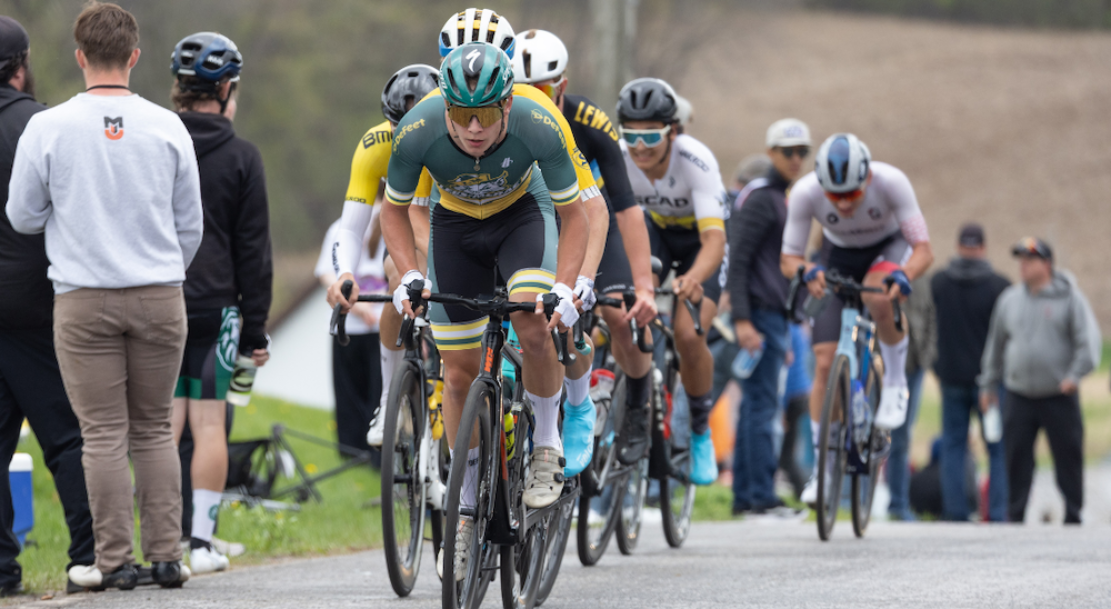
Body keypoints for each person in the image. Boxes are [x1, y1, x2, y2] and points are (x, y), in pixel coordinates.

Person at [328, 42, 590, 580]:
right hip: (454, 227)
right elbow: (394, 211)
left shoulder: (539, 121)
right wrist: (410, 274)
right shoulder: (417, 130)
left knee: (531, 320)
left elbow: (576, 214)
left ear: (508, 106)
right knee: (456, 372)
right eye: (461, 115)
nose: (473, 128)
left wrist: (565, 287)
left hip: (522, 216)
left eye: (487, 116)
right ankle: (465, 509)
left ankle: (546, 444)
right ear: (444, 106)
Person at [6, 2, 201, 589]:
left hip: (83, 297)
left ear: (80, 57)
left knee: (103, 434)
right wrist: (164, 269)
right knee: (155, 427)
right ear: (134, 57)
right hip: (158, 293)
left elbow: (21, 215)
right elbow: (190, 224)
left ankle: (114, 561)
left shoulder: (49, 127)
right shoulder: (167, 126)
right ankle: (166, 556)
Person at [512, 29, 658, 477]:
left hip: (594, 217)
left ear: (562, 86)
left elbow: (626, 208)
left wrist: (644, 287)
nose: (531, 100)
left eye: (541, 91)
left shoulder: (590, 121)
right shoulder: (500, 120)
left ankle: (638, 406)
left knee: (618, 315)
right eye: (520, 91)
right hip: (537, 220)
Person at [780, 133, 934, 505]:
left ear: (868, 178)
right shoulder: (804, 193)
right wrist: (806, 272)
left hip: (888, 248)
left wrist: (906, 275)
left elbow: (923, 249)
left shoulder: (892, 182)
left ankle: (895, 382)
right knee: (823, 363)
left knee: (878, 295)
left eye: (852, 193)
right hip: (838, 255)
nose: (845, 203)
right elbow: (789, 258)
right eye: (835, 197)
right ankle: (822, 469)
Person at [168, 31, 272, 573]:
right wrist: (254, 331)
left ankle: (161, 541)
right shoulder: (242, 156)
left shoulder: (156, 140)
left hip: (158, 301)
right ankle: (201, 544)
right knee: (210, 424)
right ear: (226, 88)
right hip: (217, 307)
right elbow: (254, 252)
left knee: (161, 427)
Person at [0, 15, 96, 595]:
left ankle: (1, 570)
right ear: (20, 66)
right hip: (36, 305)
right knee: (66, 436)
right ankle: (89, 554)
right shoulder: (40, 125)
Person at [615, 77, 727, 485]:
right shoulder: (618, 157)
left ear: (673, 132)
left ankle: (699, 430)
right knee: (623, 307)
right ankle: (629, 396)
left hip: (700, 242)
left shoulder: (696, 160)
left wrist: (694, 278)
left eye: (651, 136)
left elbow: (714, 240)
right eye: (630, 135)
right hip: (656, 232)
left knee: (688, 334)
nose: (639, 146)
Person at [347, 63, 440, 448]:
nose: (408, 137)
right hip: (409, 230)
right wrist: (343, 274)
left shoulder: (462, 139)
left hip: (455, 226)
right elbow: (352, 225)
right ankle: (389, 398)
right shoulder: (376, 146)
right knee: (397, 278)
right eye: (398, 128)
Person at [979, 237, 1099, 524]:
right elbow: (995, 346)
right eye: (1021, 260)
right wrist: (988, 384)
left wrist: (1074, 375)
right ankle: (1015, 514)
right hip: (1018, 393)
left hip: (1058, 393)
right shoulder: (1009, 300)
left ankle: (1073, 513)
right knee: (1016, 458)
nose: (1023, 266)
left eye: (1030, 260)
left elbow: (1088, 343)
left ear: (1047, 264)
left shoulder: (1069, 298)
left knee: (1068, 457)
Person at [726, 118, 811, 515]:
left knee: (756, 406)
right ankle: (759, 496)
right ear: (771, 152)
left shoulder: (780, 197)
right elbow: (739, 261)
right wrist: (743, 320)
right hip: (759, 315)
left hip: (773, 316)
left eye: (802, 152)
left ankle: (748, 496)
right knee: (762, 407)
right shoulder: (762, 198)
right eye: (788, 152)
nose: (795, 159)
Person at [931, 223, 1010, 522]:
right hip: (989, 383)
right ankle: (998, 514)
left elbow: (929, 327)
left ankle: (955, 512)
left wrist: (937, 366)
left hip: (951, 377)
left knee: (953, 445)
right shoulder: (999, 287)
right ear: (983, 248)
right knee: (997, 448)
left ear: (958, 246)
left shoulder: (939, 283)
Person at [316, 208, 386, 459]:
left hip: (378, 326)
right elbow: (327, 273)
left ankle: (367, 455)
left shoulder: (389, 222)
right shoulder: (341, 228)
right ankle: (362, 455)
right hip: (352, 326)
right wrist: (357, 307)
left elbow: (325, 273)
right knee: (366, 394)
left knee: (372, 395)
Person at [886, 274, 934, 521]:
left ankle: (898, 503)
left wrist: (926, 356)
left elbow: (930, 316)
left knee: (902, 437)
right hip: (882, 364)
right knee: (869, 432)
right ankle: (856, 500)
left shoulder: (922, 278)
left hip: (913, 365)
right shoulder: (882, 268)